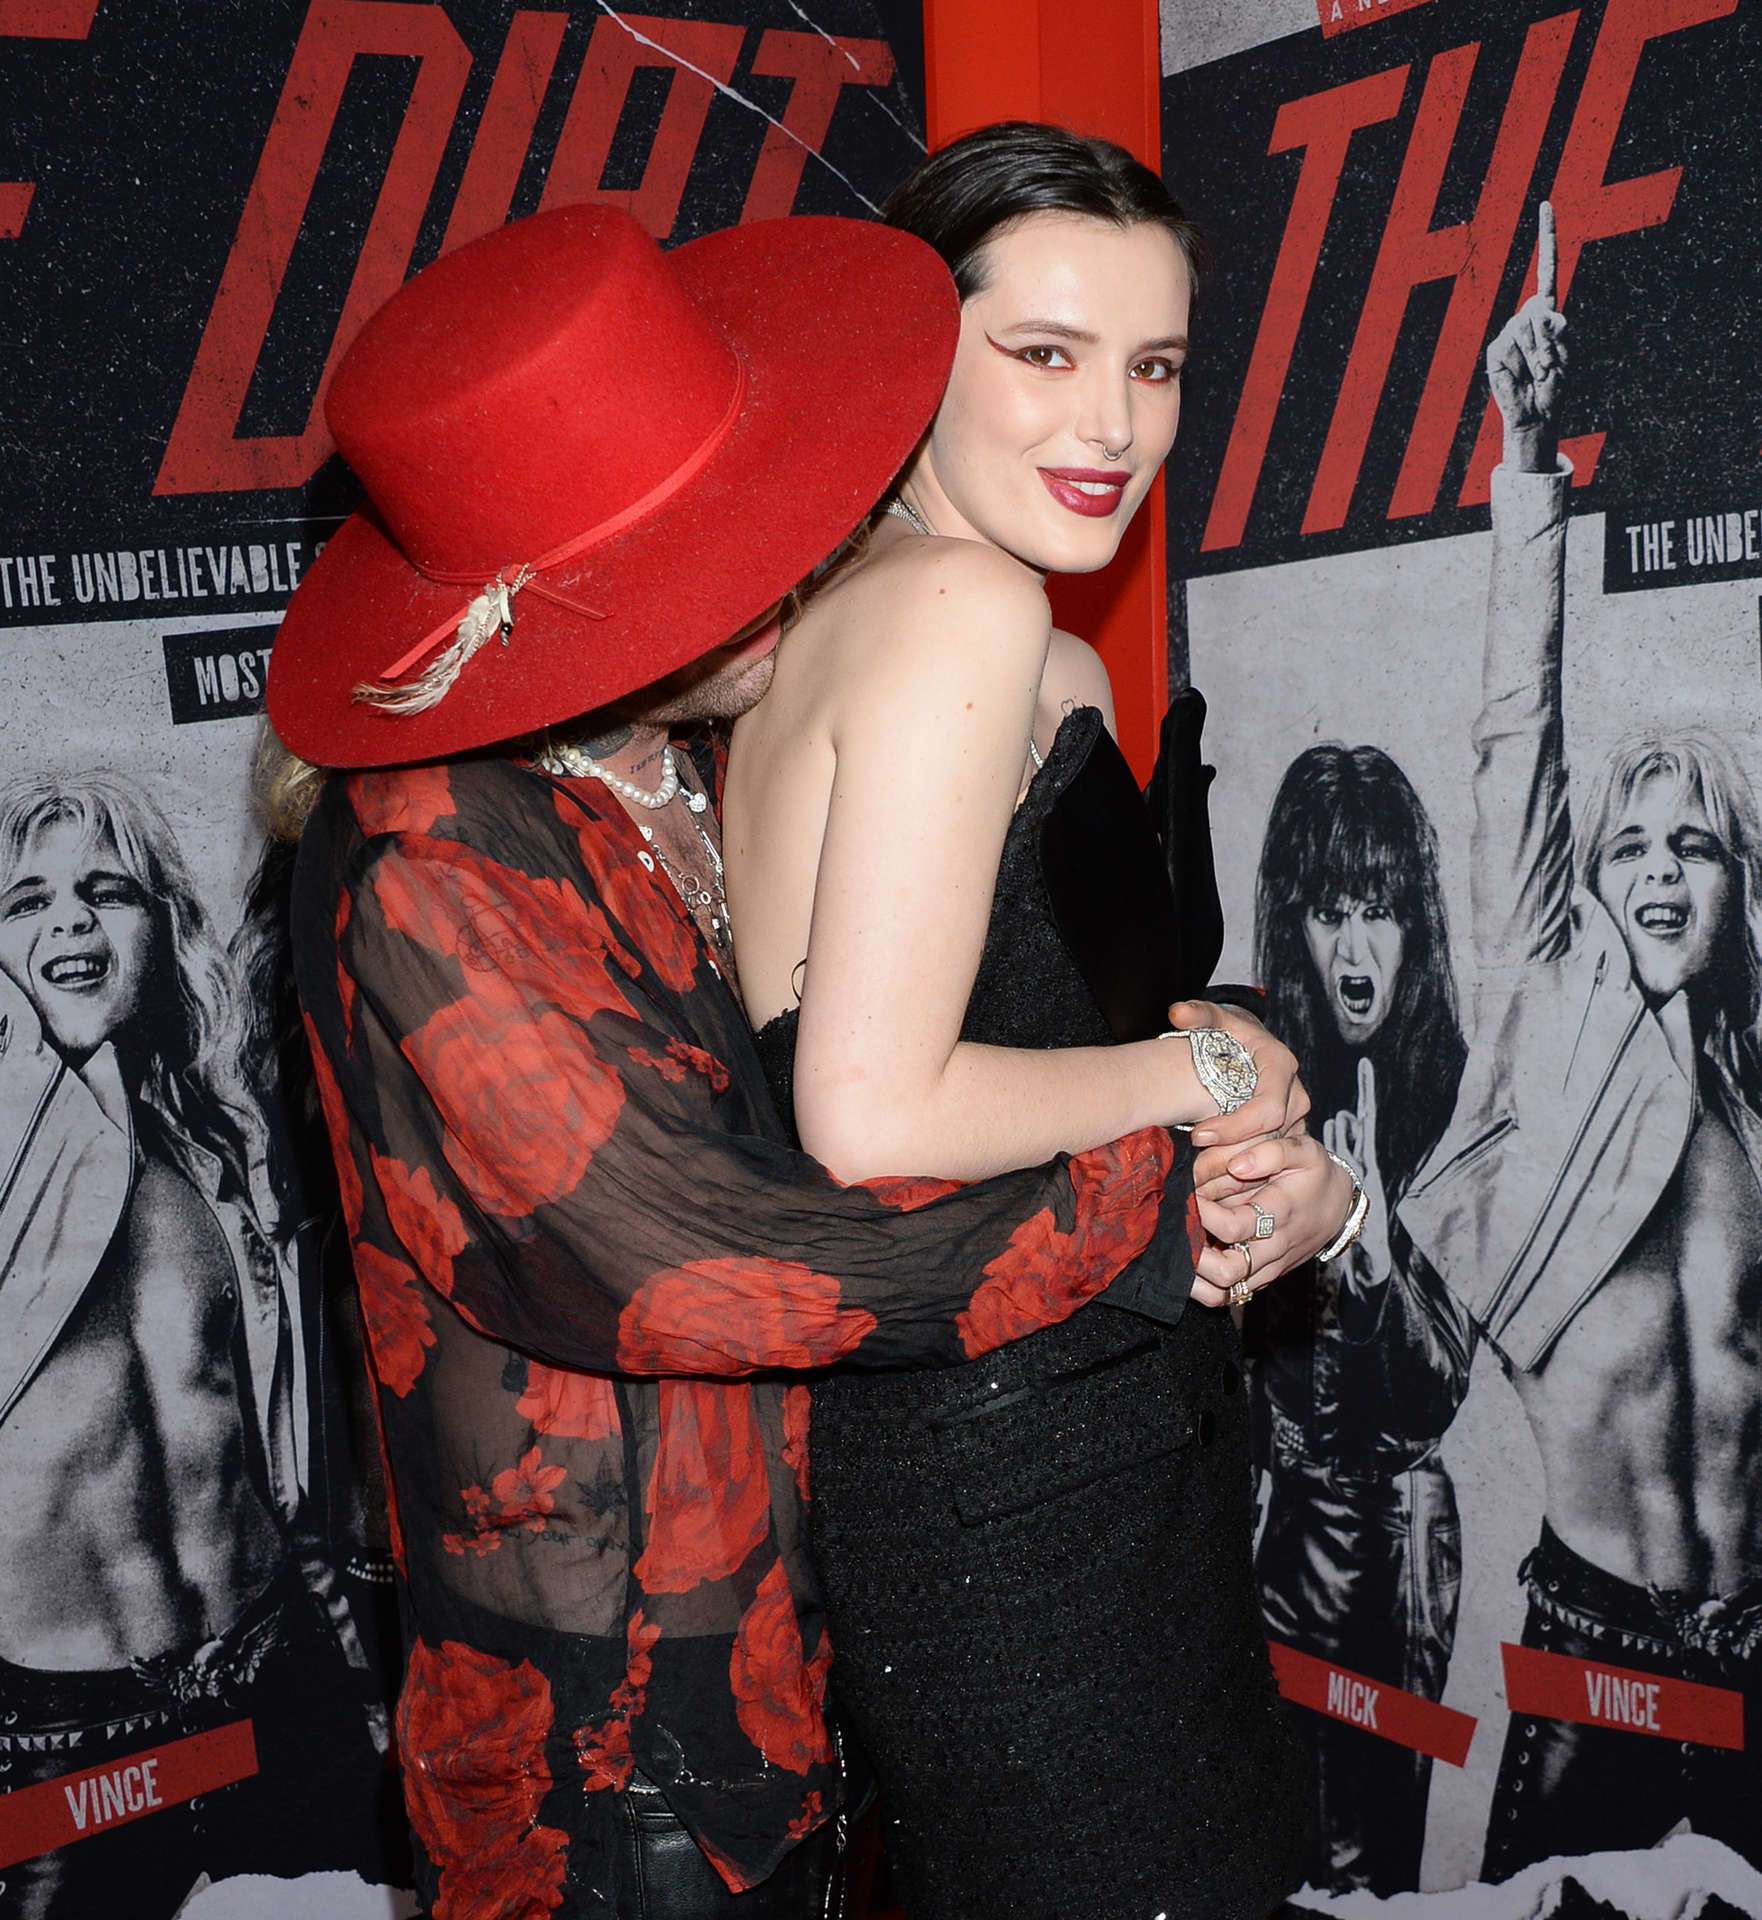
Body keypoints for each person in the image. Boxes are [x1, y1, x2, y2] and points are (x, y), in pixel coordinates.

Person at [262, 201, 1237, 1920]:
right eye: (718, 532)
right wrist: (1149, 1190)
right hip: (601, 1761)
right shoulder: (426, 846)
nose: (792, 542)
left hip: (796, 1679)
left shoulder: (665, 766)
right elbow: (678, 1255)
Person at [721, 122, 1361, 1920]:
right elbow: (868, 1108)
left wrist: (1282, 1181)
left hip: (1085, 1464)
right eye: (1045, 353)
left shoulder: (940, 631)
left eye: (1153, 367)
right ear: (913, 358)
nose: (1112, 425)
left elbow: (1058, 1051)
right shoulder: (960, 609)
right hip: (1017, 1505)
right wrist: (1209, 1067)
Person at [1398, 203, 1762, 1880]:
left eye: (1696, 847)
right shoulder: (1552, 1008)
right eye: (1631, 849)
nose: (1662, 872)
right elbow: (1512, 740)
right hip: (1592, 1654)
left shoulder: (1750, 1104)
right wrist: (1526, 460)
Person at [0, 772, 381, 1917]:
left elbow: (258, 1421)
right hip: (67, 1734)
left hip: (269, 1666)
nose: (70, 919)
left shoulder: (215, 1144)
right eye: (27, 901)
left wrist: (335, 1625)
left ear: (160, 927)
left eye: (107, 891)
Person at [1248, 744, 1471, 1894]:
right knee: (1270, 1854)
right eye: (1328, 909)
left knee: (1363, 1872)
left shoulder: (1452, 1094)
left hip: (1389, 1544)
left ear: (1413, 925)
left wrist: (1373, 1257)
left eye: (1376, 910)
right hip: (1275, 1521)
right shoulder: (1264, 1076)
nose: (1352, 946)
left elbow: (1436, 1392)